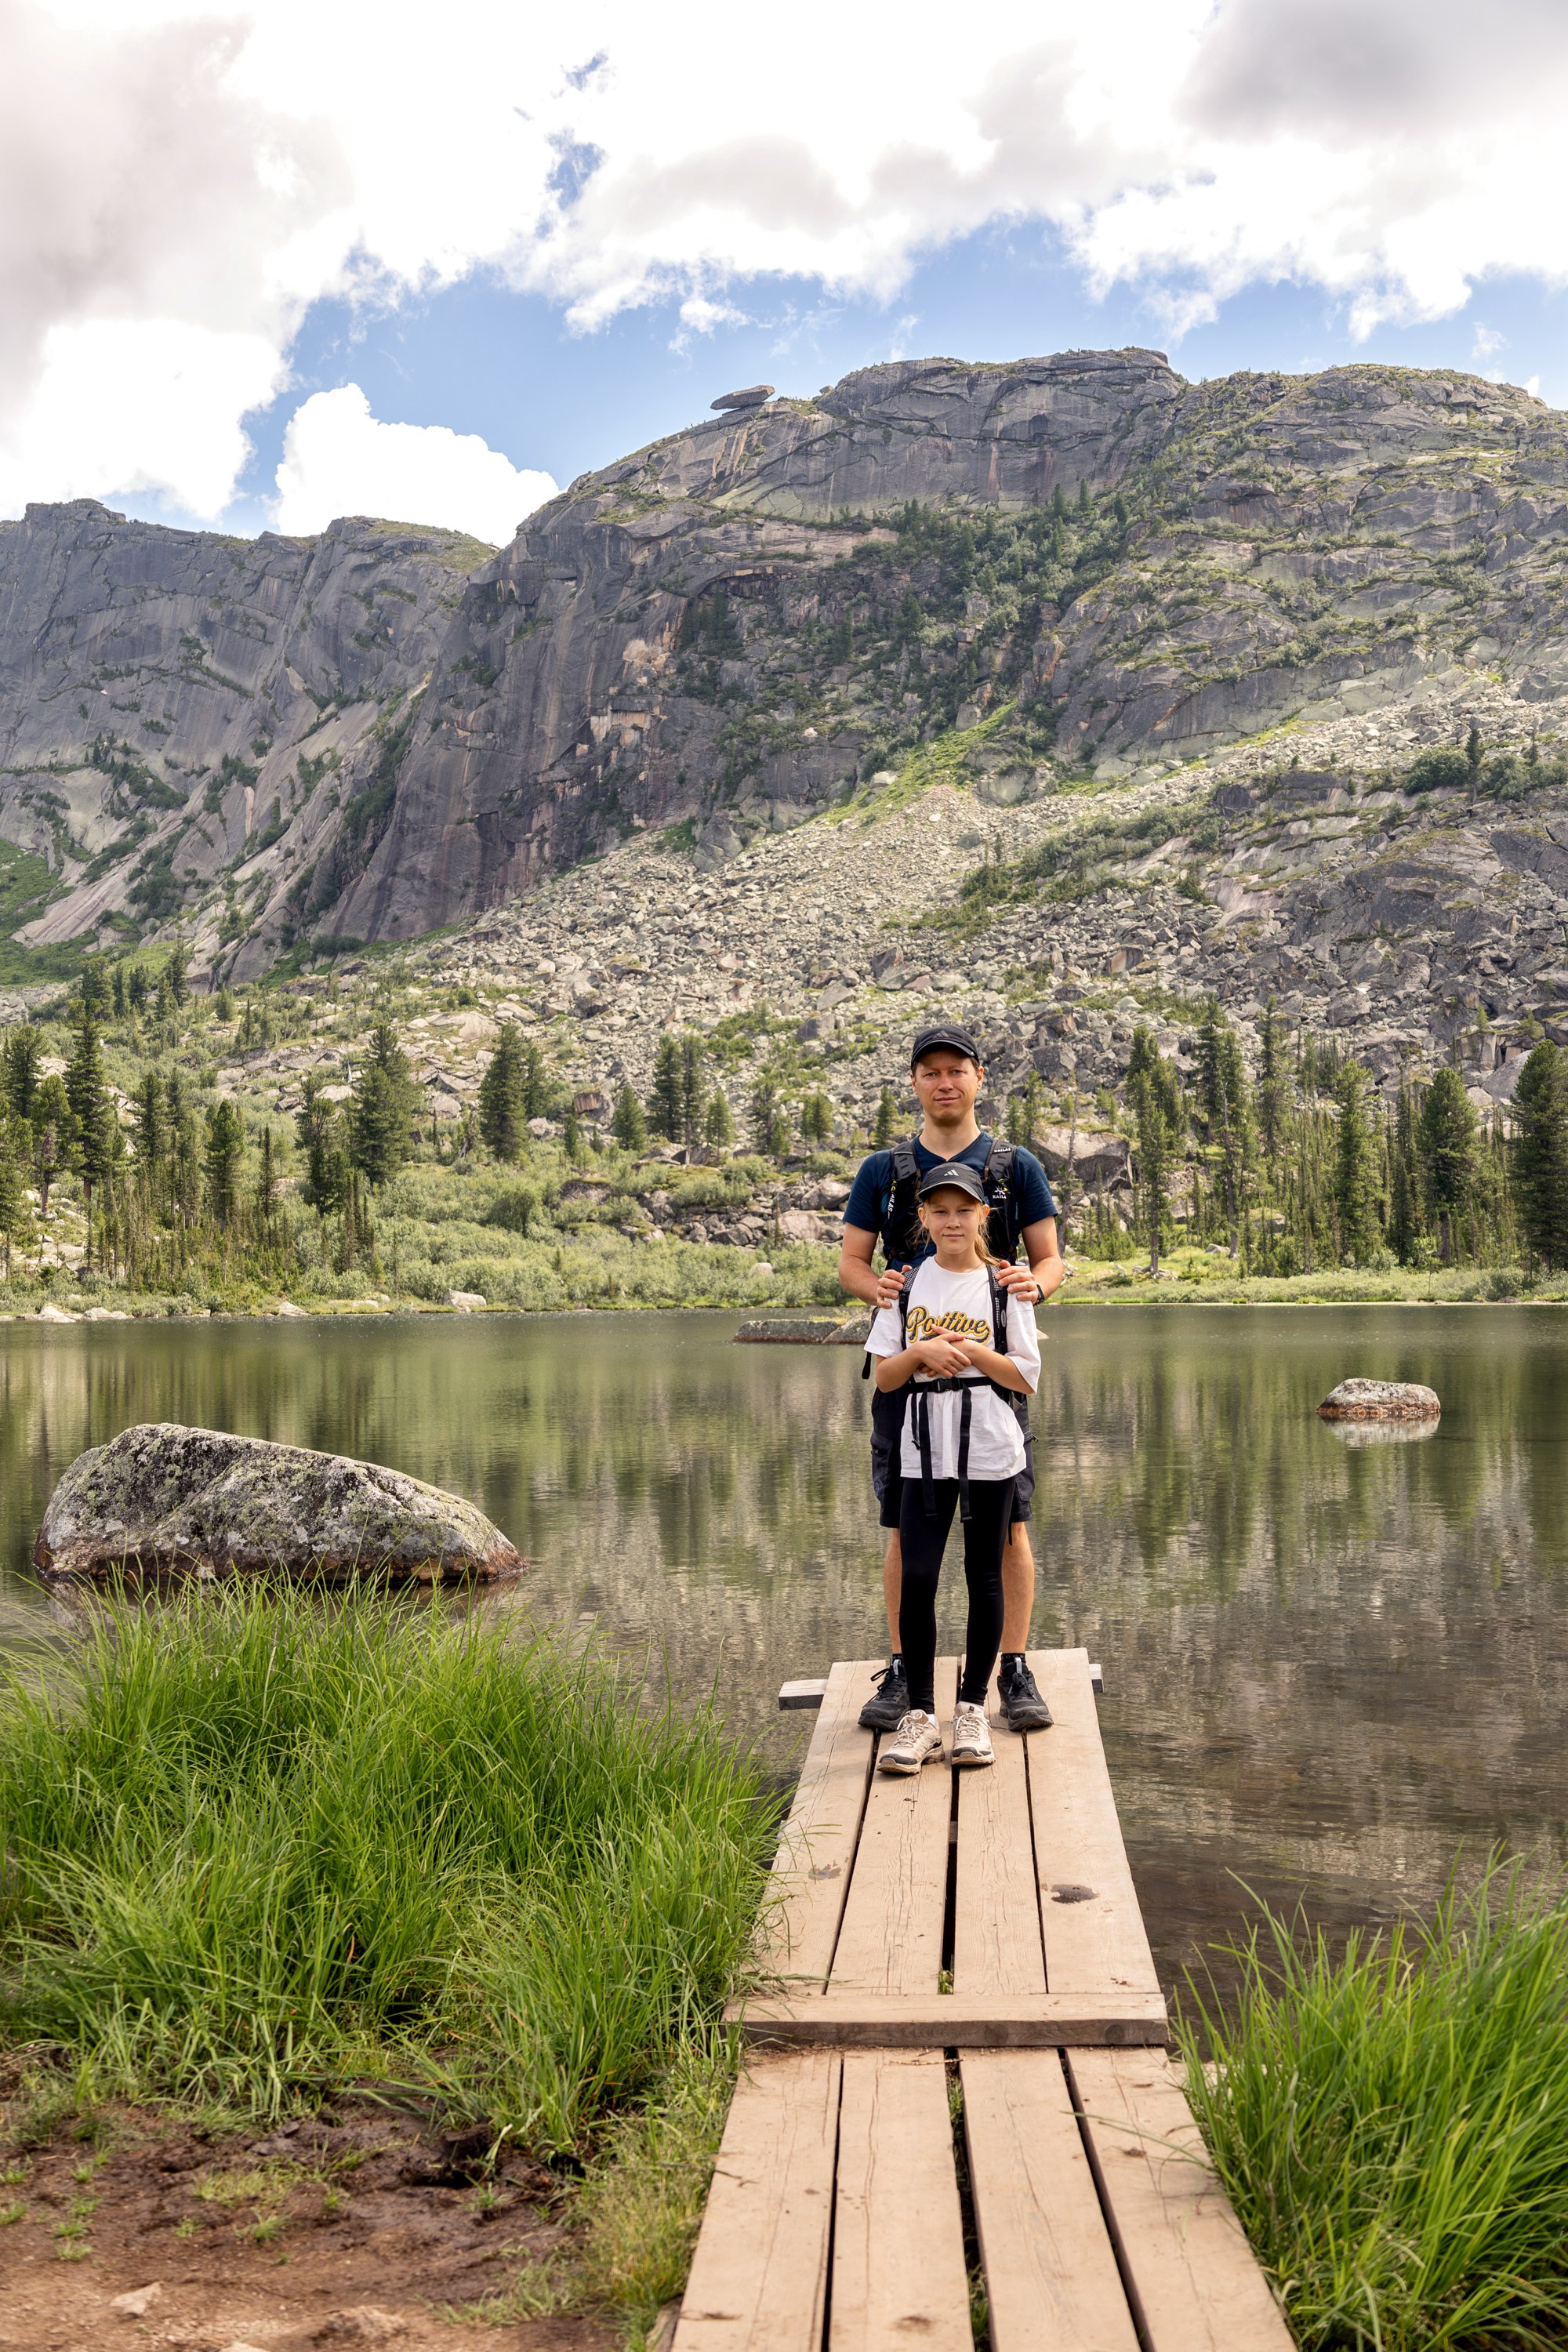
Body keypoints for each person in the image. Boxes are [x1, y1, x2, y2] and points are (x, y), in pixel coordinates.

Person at [839, 1024, 1063, 1733]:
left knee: (1010, 1531)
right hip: (905, 1378)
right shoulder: (884, 1168)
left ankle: (1013, 1668)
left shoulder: (1013, 1163)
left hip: (990, 1381)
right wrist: (881, 1296)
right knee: (906, 1531)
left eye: (956, 1070)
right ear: (915, 1083)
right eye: (930, 1071)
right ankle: (906, 1672)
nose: (945, 1082)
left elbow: (1051, 1260)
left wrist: (1032, 1288)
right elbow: (851, 1264)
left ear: (979, 1077)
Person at [864, 1162, 1041, 1772]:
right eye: (939, 1210)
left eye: (963, 1210)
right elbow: (885, 1376)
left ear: (983, 1216)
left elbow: (1026, 1376)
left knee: (984, 1576)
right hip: (923, 1450)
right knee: (918, 1577)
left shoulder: (1005, 1286)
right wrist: (920, 1351)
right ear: (923, 1218)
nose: (952, 1221)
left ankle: (971, 1709)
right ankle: (919, 1717)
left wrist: (967, 1352)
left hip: (991, 1447)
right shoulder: (908, 1286)